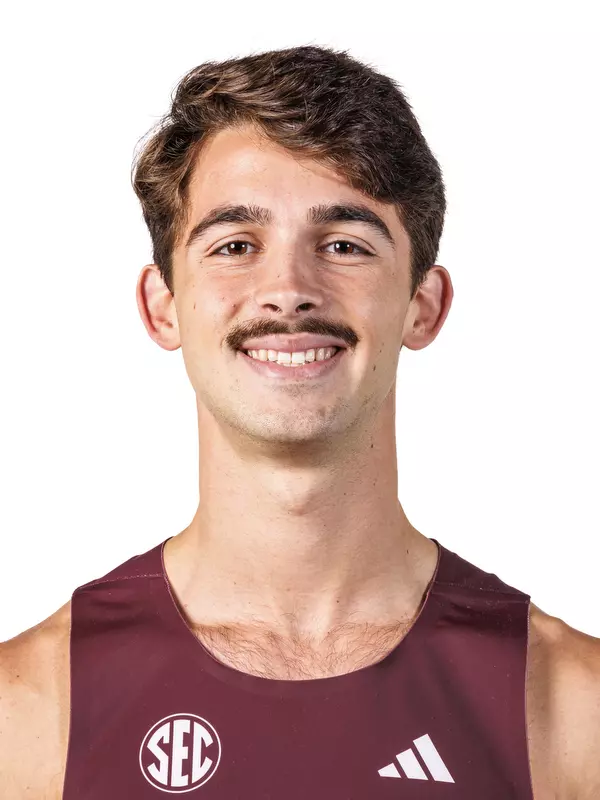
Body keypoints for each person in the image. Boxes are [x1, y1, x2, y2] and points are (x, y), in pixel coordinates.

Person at [1, 44, 598, 799]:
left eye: (343, 244)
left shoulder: (572, 710)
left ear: (425, 305)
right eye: (236, 245)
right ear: (162, 305)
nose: (287, 290)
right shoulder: (26, 714)